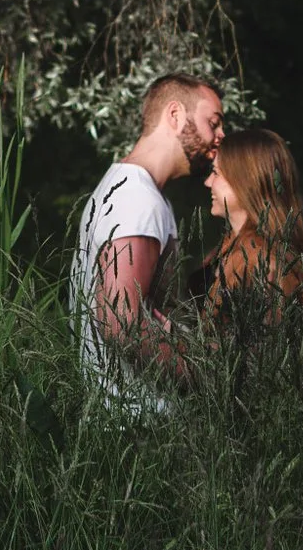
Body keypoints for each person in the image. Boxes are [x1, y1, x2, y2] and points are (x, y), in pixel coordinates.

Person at [70, 72, 225, 416]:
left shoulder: (137, 192)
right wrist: (205, 379)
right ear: (175, 115)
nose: (221, 135)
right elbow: (120, 324)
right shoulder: (136, 198)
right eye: (212, 122)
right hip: (135, 426)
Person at [190, 128, 303, 350]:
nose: (207, 182)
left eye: (216, 173)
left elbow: (267, 354)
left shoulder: (265, 261)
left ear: (243, 180)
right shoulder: (229, 247)